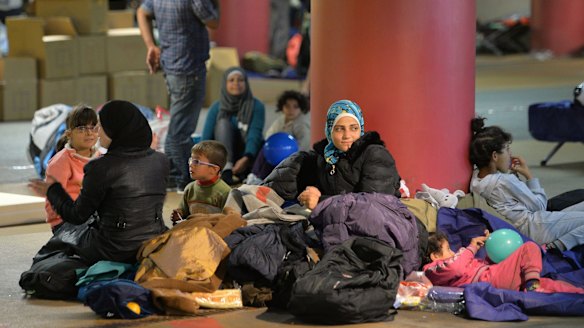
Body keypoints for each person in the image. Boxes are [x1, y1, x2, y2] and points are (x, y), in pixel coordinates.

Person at [28, 100, 169, 264]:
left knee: (68, 236)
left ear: (115, 130)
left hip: (114, 249)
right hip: (154, 242)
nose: (96, 132)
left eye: (100, 126)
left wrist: (52, 191)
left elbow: (77, 216)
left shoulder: (100, 166)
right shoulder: (162, 160)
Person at [137, 0, 219, 191]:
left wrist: (151, 45)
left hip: (171, 66)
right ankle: (185, 179)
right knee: (180, 131)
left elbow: (141, 12)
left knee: (178, 125)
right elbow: (213, 21)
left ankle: (174, 177)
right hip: (189, 69)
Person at [469, 117, 584, 252]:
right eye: (507, 149)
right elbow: (540, 206)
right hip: (536, 226)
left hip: (528, 225)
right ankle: (554, 248)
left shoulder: (477, 179)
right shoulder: (504, 181)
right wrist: (529, 175)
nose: (510, 154)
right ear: (495, 156)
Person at [262, 99, 402, 210]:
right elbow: (274, 187)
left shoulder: (375, 155)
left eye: (353, 128)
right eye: (339, 129)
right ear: (330, 131)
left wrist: (320, 201)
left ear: (361, 129)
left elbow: (374, 207)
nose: (347, 135)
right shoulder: (323, 159)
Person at [423, 231, 584, 294]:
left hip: (492, 275)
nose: (453, 252)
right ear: (435, 256)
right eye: (448, 249)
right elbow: (456, 268)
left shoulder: (447, 264)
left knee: (549, 284)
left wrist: (489, 250)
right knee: (529, 247)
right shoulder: (432, 269)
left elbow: (477, 267)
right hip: (490, 279)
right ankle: (532, 282)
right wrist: (471, 247)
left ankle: (577, 293)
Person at [201, 67, 266, 185]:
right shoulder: (217, 107)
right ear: (225, 83)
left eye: (240, 80)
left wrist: (246, 158)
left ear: (246, 83)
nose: (236, 83)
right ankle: (226, 169)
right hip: (222, 160)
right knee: (222, 124)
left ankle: (245, 172)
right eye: (231, 80)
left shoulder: (257, 106)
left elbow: (254, 134)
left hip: (246, 156)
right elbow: (206, 138)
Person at [44, 105, 100, 234]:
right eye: (81, 128)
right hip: (67, 223)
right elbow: (52, 203)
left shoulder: (100, 157)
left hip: (92, 218)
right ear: (69, 133)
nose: (89, 133)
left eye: (93, 127)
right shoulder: (60, 162)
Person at [248, 90, 310, 182]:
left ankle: (261, 178)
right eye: (287, 106)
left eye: (295, 107)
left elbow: (304, 145)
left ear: (301, 108)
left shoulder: (301, 125)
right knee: (265, 147)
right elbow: (269, 136)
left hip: (293, 158)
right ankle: (254, 175)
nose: (291, 110)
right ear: (282, 107)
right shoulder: (280, 121)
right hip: (276, 154)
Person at [170, 140, 231, 225]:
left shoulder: (225, 192)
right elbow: (183, 213)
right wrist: (178, 215)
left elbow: (228, 221)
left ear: (213, 169)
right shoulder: (189, 189)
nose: (191, 164)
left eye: (196, 162)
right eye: (191, 160)